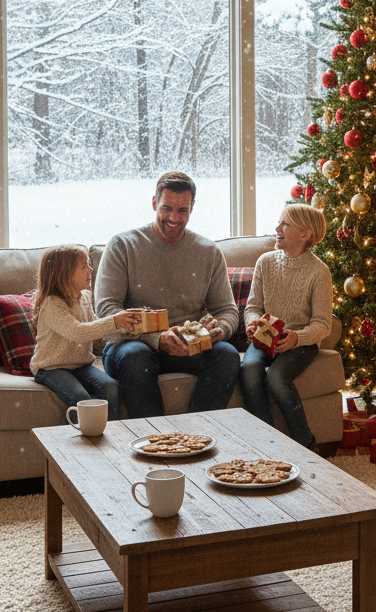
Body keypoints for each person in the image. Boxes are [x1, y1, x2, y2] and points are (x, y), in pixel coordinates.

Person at [95, 171, 241, 420]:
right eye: (167, 208)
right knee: (134, 356)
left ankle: (196, 436)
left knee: (227, 354)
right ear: (154, 203)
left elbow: (227, 310)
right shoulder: (123, 245)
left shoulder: (208, 252)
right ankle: (154, 441)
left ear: (192, 208)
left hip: (189, 347)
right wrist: (156, 339)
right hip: (132, 346)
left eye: (182, 210)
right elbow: (107, 310)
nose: (173, 218)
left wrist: (221, 330)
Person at [240, 204, 333, 449]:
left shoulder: (319, 272)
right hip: (265, 337)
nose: (276, 229)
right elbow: (252, 307)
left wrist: (297, 338)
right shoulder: (265, 262)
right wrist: (252, 323)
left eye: (285, 224)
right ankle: (267, 443)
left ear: (306, 234)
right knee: (249, 369)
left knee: (277, 377)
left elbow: (323, 325)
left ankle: (305, 441)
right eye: (279, 222)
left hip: (300, 341)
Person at [31, 244, 140, 421]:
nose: (91, 269)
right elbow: (77, 332)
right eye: (84, 266)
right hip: (51, 368)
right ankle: (71, 445)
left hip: (80, 365)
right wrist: (114, 321)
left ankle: (105, 434)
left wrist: (125, 326)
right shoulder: (52, 304)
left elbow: (95, 327)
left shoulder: (83, 298)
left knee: (110, 387)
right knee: (79, 397)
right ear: (64, 274)